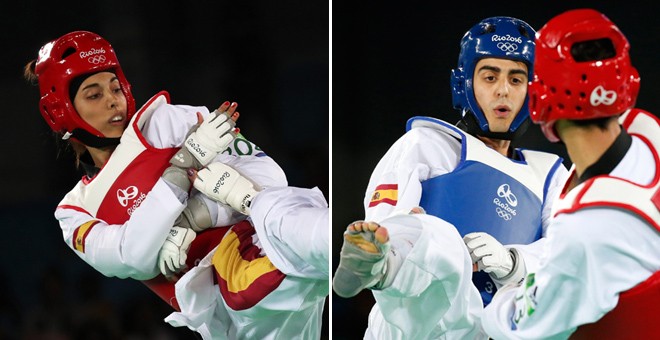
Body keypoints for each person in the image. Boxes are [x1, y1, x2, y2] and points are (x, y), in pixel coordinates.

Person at [333, 16, 568, 338]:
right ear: (464, 84)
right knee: (430, 231)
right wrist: (390, 238)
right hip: (417, 317)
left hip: (495, 324)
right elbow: (383, 219)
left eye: (516, 80)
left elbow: (566, 254)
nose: (503, 90)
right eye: (490, 77)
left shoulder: (549, 173)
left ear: (533, 91)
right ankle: (376, 266)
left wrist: (513, 262)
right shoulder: (429, 144)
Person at [25, 30, 287, 311]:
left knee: (305, 224)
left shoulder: (167, 122)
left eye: (115, 88)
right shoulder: (75, 212)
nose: (113, 101)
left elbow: (273, 179)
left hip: (268, 261)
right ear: (61, 111)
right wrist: (184, 164)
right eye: (94, 95)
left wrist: (194, 218)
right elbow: (134, 257)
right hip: (223, 320)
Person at [481, 9, 660, 339]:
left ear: (539, 99)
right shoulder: (648, 131)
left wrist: (500, 295)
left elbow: (521, 328)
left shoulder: (585, 232)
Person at [163, 162, 329, 339]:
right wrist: (248, 198)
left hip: (220, 277)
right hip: (254, 236)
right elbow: (324, 240)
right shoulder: (249, 292)